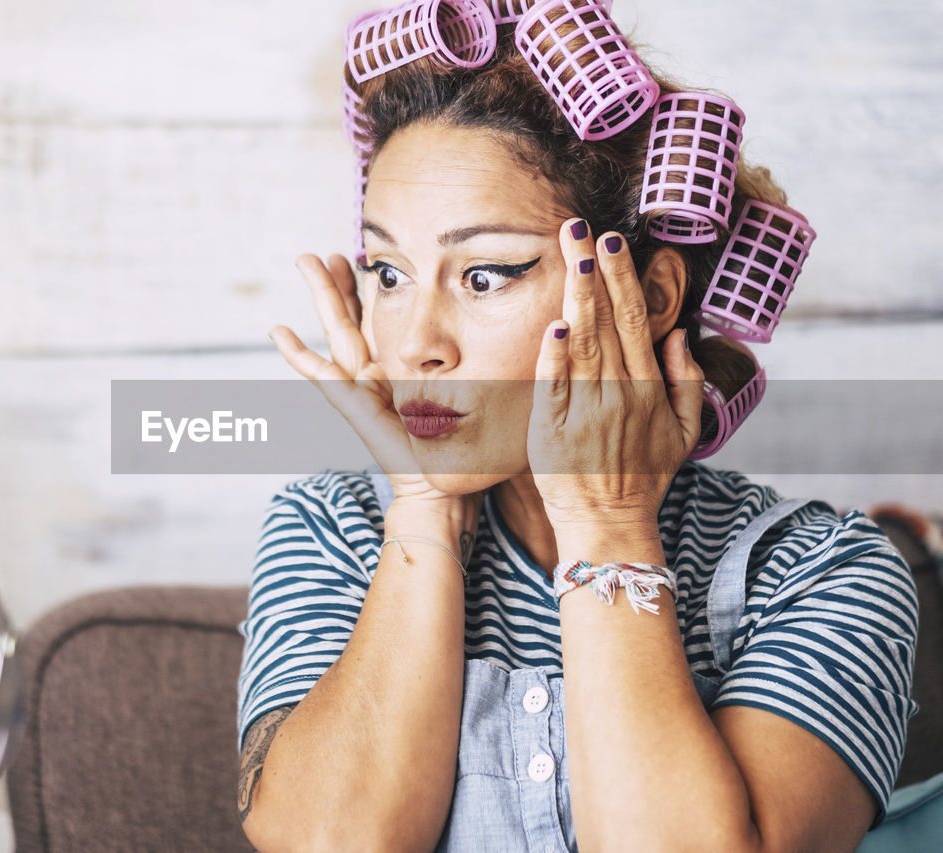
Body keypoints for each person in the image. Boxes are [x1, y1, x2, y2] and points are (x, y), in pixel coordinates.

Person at [235, 4, 920, 850]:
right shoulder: (329, 526)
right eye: (388, 271)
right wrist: (420, 507)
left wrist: (610, 525)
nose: (415, 344)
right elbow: (331, 842)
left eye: (485, 274)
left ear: (653, 295)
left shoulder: (818, 570)